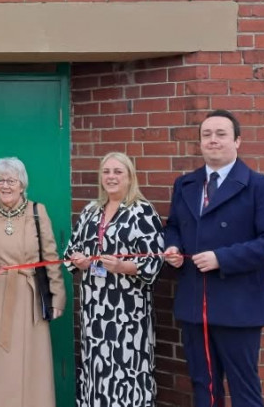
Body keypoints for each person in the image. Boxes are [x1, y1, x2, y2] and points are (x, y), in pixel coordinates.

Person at [163, 110, 264, 407]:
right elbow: (173, 227)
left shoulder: (261, 186)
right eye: (206, 135)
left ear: (237, 141)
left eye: (221, 134)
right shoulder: (185, 184)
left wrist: (222, 258)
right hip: (196, 303)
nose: (213, 140)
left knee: (243, 388)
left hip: (239, 306)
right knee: (203, 386)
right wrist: (173, 248)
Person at [64, 151, 165, 407]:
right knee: (96, 368)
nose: (111, 177)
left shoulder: (142, 212)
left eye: (118, 172)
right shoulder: (91, 210)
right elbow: (70, 251)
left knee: (126, 369)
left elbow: (155, 260)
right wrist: (79, 260)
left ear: (130, 177)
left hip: (127, 313)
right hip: (94, 310)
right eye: (106, 172)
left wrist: (124, 266)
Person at [0, 157, 65, 407]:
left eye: (11, 180)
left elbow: (50, 256)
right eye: (0, 180)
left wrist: (57, 295)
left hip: (29, 299)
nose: (5, 185)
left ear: (22, 184)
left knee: (31, 364)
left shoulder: (37, 211)